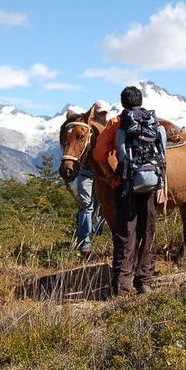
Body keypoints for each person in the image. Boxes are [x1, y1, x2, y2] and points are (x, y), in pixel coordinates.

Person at [93, 86, 166, 296]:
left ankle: (121, 286)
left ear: (123, 103)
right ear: (140, 101)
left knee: (125, 232)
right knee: (148, 229)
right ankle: (145, 280)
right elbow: (162, 151)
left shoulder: (117, 122)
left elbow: (99, 153)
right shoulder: (152, 120)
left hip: (126, 184)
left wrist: (110, 175)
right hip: (151, 182)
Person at [73, 100, 111, 258]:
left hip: (99, 174)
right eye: (100, 112)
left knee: (98, 206)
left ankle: (91, 235)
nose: (102, 115)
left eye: (104, 113)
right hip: (87, 173)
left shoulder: (107, 128)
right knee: (87, 207)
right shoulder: (86, 128)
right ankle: (85, 243)